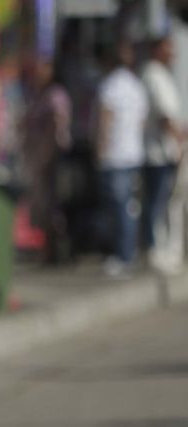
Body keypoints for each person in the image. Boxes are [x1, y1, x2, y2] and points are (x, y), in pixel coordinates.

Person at [96, 41, 148, 277]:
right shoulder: (136, 86)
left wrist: (101, 148)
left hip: (116, 155)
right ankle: (128, 252)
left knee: (119, 208)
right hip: (133, 153)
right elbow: (142, 121)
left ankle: (123, 255)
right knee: (129, 207)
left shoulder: (110, 85)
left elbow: (105, 120)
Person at [22, 56, 73, 262]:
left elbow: (57, 124)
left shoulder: (55, 96)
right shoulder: (38, 95)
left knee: (53, 207)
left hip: (52, 159)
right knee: (44, 207)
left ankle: (57, 251)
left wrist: (46, 154)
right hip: (40, 158)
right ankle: (48, 251)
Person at [140, 35, 184, 270]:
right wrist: (179, 141)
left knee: (166, 202)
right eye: (169, 47)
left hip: (165, 152)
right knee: (157, 202)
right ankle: (154, 249)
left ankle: (164, 249)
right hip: (158, 152)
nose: (173, 53)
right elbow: (165, 116)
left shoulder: (163, 75)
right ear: (157, 49)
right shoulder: (153, 75)